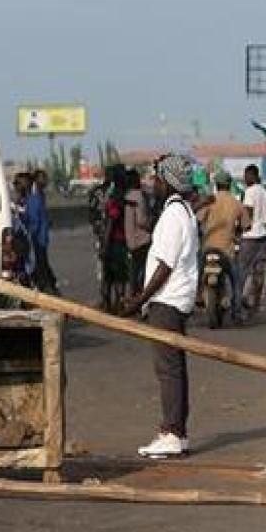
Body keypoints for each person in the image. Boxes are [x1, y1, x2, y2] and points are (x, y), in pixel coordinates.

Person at [121, 155, 201, 459]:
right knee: (175, 368)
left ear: (168, 182)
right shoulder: (183, 212)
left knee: (168, 369)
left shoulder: (173, 216)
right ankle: (177, 432)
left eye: (156, 179)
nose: (152, 184)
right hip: (176, 298)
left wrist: (139, 299)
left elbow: (165, 265)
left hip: (167, 301)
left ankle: (171, 431)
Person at [196, 171, 248, 324]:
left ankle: (198, 294)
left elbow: (198, 219)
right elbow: (246, 224)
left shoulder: (210, 201)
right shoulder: (236, 203)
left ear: (216, 185)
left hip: (207, 248)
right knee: (236, 282)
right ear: (229, 185)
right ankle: (236, 312)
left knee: (198, 273)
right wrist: (237, 232)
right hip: (227, 250)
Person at [237, 165, 266, 314]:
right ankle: (256, 303)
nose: (245, 179)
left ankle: (238, 301)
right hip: (262, 235)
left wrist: (239, 228)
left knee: (243, 271)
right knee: (259, 272)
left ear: (252, 176)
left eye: (246, 176)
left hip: (249, 236)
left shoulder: (249, 192)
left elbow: (248, 214)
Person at [99, 167, 130, 310]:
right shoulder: (119, 198)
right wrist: (105, 245)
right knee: (118, 276)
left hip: (114, 241)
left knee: (110, 276)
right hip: (116, 242)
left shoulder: (115, 197)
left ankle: (109, 304)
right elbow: (111, 223)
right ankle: (116, 304)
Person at [26, 170, 58, 294]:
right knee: (41, 261)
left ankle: (46, 285)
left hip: (41, 237)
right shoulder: (35, 198)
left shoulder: (39, 196)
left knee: (41, 261)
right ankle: (46, 285)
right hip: (38, 237)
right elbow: (34, 219)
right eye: (43, 179)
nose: (45, 181)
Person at [123, 168, 152, 298]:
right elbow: (141, 220)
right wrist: (151, 224)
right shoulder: (139, 196)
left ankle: (131, 297)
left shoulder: (126, 196)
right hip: (142, 239)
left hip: (130, 240)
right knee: (144, 271)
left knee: (133, 272)